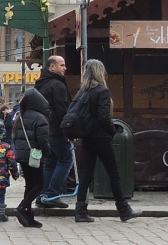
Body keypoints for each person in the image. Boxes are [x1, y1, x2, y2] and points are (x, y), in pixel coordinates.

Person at [73, 59, 139, 223]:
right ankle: (123, 209)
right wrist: (113, 130)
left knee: (86, 175)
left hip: (87, 137)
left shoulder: (82, 92)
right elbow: (103, 116)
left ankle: (80, 211)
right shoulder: (102, 91)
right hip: (101, 137)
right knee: (114, 174)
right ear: (100, 72)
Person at [34, 55, 73, 209]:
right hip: (57, 130)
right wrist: (69, 131)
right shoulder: (57, 85)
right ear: (52, 67)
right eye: (62, 65)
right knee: (65, 160)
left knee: (50, 162)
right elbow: (63, 110)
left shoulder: (40, 84)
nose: (65, 68)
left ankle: (43, 195)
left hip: (44, 130)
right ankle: (52, 194)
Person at [11, 87, 50, 228]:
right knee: (39, 185)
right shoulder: (40, 118)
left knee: (30, 185)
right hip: (34, 156)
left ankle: (28, 216)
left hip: (22, 155)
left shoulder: (20, 116)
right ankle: (21, 208)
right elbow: (43, 140)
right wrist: (48, 153)